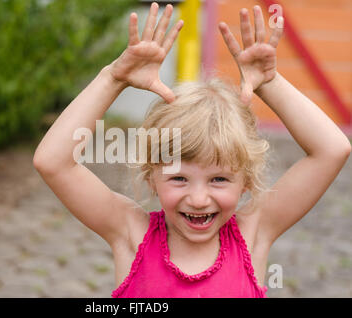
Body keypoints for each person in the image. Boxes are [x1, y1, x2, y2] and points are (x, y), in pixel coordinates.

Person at [33, 2, 351, 297]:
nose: (199, 199)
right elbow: (53, 162)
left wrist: (269, 82)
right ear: (151, 175)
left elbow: (332, 149)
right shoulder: (131, 233)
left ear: (247, 181)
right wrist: (113, 78)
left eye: (219, 180)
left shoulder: (253, 232)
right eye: (179, 179)